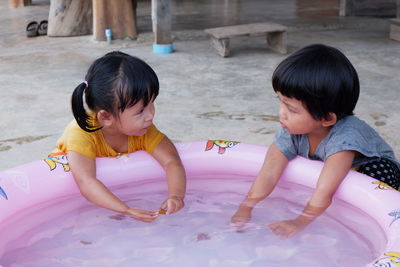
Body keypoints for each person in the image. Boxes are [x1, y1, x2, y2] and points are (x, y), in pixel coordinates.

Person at [231, 44, 400, 239]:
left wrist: (300, 221)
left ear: (327, 119)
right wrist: (247, 206)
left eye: (292, 109)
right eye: (280, 101)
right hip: (331, 165)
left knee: (373, 177)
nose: (281, 113)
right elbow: (269, 171)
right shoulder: (291, 128)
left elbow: (323, 191)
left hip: (372, 168)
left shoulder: (344, 140)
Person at [50, 51, 186, 222]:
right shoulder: (81, 134)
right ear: (106, 117)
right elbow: (86, 182)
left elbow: (172, 162)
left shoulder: (143, 129)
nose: (150, 115)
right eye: (140, 111)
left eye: (152, 103)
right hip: (70, 195)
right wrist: (126, 209)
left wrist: (176, 196)